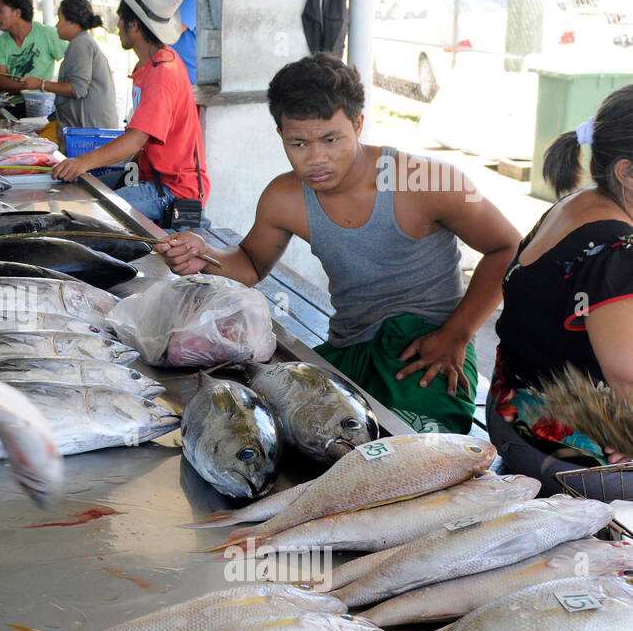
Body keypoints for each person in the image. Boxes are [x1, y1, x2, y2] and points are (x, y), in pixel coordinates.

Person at [150, 52, 521, 434]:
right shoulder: (284, 197)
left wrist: (456, 334)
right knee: (261, 432)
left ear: (358, 125)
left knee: (411, 455)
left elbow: (509, 247)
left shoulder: (426, 179)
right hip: (349, 348)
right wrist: (204, 255)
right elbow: (250, 262)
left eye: (331, 139)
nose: (316, 159)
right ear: (280, 135)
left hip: (428, 351)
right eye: (299, 144)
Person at [489, 86, 633, 492]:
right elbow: (627, 378)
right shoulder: (618, 249)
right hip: (561, 447)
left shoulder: (577, 205)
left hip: (511, 408)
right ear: (626, 171)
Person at [53, 0, 206, 229]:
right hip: (150, 177)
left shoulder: (162, 74)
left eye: (121, 19)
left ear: (134, 25)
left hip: (171, 189)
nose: (117, 25)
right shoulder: (153, 64)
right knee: (83, 191)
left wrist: (82, 162)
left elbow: (135, 139)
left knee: (91, 217)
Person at [20, 0, 117, 137]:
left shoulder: (81, 44)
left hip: (89, 132)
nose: (56, 26)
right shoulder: (80, 42)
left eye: (60, 19)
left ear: (72, 23)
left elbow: (78, 89)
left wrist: (41, 84)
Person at [0, 0, 66, 94]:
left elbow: (75, 59)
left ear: (17, 13)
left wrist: (48, 85)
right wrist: (36, 86)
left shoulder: (48, 34)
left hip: (44, 105)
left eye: (1, 11)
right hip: (12, 105)